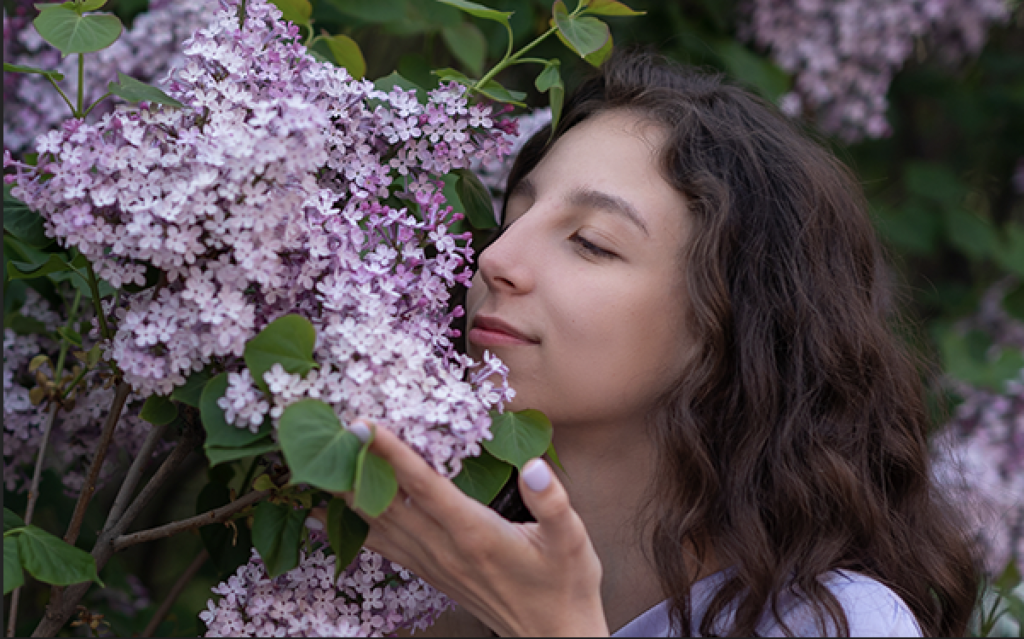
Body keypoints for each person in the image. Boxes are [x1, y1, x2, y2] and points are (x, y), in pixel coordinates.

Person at [313, 48, 981, 636]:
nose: (497, 259)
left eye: (591, 242)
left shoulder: (836, 622)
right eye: (511, 217)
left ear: (725, 324)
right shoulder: (410, 593)